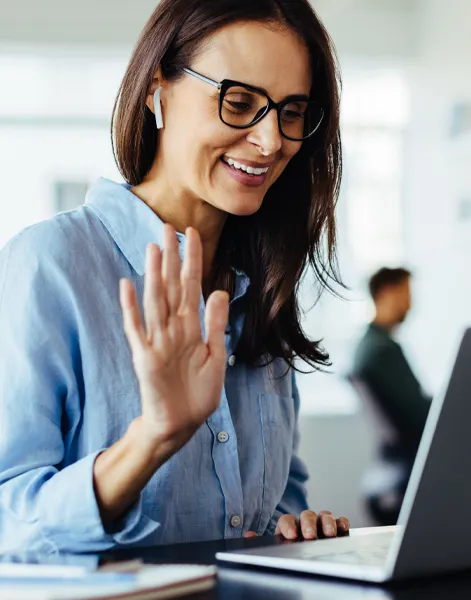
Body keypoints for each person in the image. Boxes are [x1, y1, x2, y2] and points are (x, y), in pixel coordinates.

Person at [0, 0, 350, 553]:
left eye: (291, 112)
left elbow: (281, 495)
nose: (272, 141)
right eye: (239, 102)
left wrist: (295, 528)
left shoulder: (262, 285)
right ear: (156, 88)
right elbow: (7, 523)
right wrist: (151, 438)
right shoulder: (49, 264)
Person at [351, 267, 430, 525]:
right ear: (386, 293)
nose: (410, 304)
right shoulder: (382, 351)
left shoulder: (367, 346)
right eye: (406, 294)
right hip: (408, 467)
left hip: (390, 462)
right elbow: (419, 414)